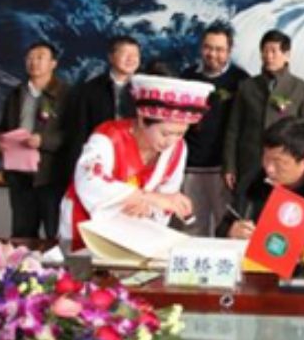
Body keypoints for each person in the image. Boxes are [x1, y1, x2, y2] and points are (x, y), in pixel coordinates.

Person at [58, 74, 214, 248]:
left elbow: (166, 196)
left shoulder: (178, 148)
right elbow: (90, 182)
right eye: (165, 133)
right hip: (85, 226)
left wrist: (151, 208)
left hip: (132, 231)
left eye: (180, 133)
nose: (171, 141)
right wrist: (148, 198)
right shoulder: (109, 137)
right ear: (141, 119)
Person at [216, 117, 304, 252]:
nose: (269, 168)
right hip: (264, 261)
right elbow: (223, 226)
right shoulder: (251, 182)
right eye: (266, 158)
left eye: (279, 162)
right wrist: (231, 231)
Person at [223, 29, 304, 207]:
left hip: (285, 165)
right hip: (249, 162)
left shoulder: (302, 88)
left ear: (286, 55)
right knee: (247, 209)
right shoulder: (247, 86)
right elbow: (233, 130)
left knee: (280, 210)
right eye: (265, 51)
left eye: (274, 51)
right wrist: (229, 166)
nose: (268, 56)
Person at [0, 41, 70, 238]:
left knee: (56, 235)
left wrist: (43, 141)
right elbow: (2, 128)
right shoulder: (16, 94)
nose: (34, 62)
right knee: (22, 236)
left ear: (53, 63)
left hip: (52, 177)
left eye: (40, 58)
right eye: (30, 58)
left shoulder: (67, 95)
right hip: (20, 178)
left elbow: (73, 134)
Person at [180, 23, 249, 236]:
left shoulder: (241, 80)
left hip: (224, 171)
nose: (213, 54)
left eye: (219, 49)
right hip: (191, 168)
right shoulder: (187, 77)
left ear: (229, 51)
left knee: (228, 229)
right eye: (208, 48)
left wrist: (234, 166)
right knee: (191, 228)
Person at [68, 35, 141, 168]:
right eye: (125, 53)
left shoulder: (145, 90)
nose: (131, 59)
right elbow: (80, 131)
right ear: (111, 57)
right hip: (98, 157)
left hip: (135, 157)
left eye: (135, 55)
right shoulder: (90, 89)